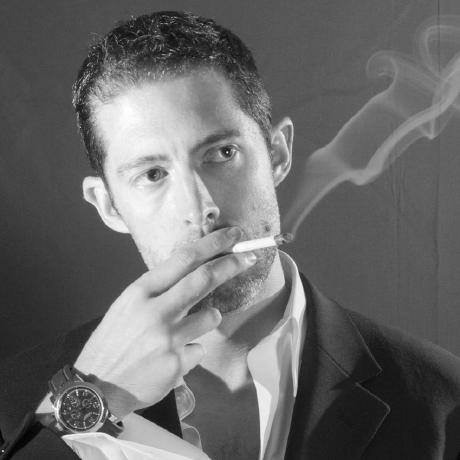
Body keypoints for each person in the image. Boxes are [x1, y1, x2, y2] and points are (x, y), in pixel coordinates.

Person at [1, 10, 460, 460]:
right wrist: (90, 403)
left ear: (277, 154)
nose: (200, 207)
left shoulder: (442, 402)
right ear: (108, 205)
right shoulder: (11, 402)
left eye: (222, 153)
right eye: (153, 174)